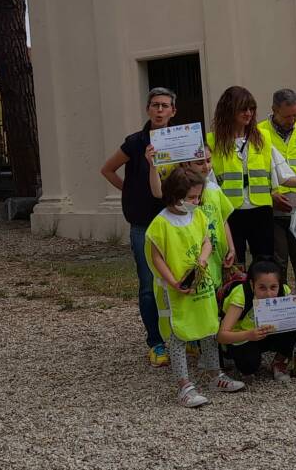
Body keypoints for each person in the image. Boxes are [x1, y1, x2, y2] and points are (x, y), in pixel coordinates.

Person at [144, 167, 245, 408]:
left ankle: (215, 374)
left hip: (201, 285)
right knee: (179, 335)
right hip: (175, 289)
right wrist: (173, 282)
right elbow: (157, 257)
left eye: (198, 197)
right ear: (174, 195)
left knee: (209, 328)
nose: (196, 202)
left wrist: (202, 258)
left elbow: (206, 241)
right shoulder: (160, 223)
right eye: (191, 198)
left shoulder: (198, 215)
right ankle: (184, 386)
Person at [100, 86, 177, 367]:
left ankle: (185, 337)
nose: (159, 110)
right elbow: (107, 169)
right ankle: (156, 342)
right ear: (148, 110)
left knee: (180, 281)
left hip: (175, 220)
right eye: (155, 105)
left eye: (164, 106)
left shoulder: (181, 140)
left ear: (173, 111)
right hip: (143, 221)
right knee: (147, 285)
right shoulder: (134, 142)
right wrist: (128, 190)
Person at [208, 86, 296, 268]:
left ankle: (262, 297)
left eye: (251, 109)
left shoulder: (262, 138)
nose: (248, 113)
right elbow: (204, 181)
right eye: (243, 108)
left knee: (265, 265)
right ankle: (239, 297)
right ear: (229, 109)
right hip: (229, 213)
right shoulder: (211, 142)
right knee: (234, 266)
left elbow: (284, 174)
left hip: (260, 211)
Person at [149, 143, 237, 290]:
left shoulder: (215, 190)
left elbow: (223, 219)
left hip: (214, 256)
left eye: (209, 161)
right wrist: (153, 166)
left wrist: (231, 248)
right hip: (191, 256)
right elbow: (158, 192)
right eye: (200, 162)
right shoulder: (177, 196)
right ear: (186, 163)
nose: (206, 167)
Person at [258, 89, 296, 294]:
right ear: (274, 110)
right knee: (278, 263)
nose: (292, 120)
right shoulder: (259, 132)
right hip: (273, 209)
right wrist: (269, 195)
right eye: (287, 116)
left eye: (295, 114)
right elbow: (255, 171)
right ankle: (280, 308)